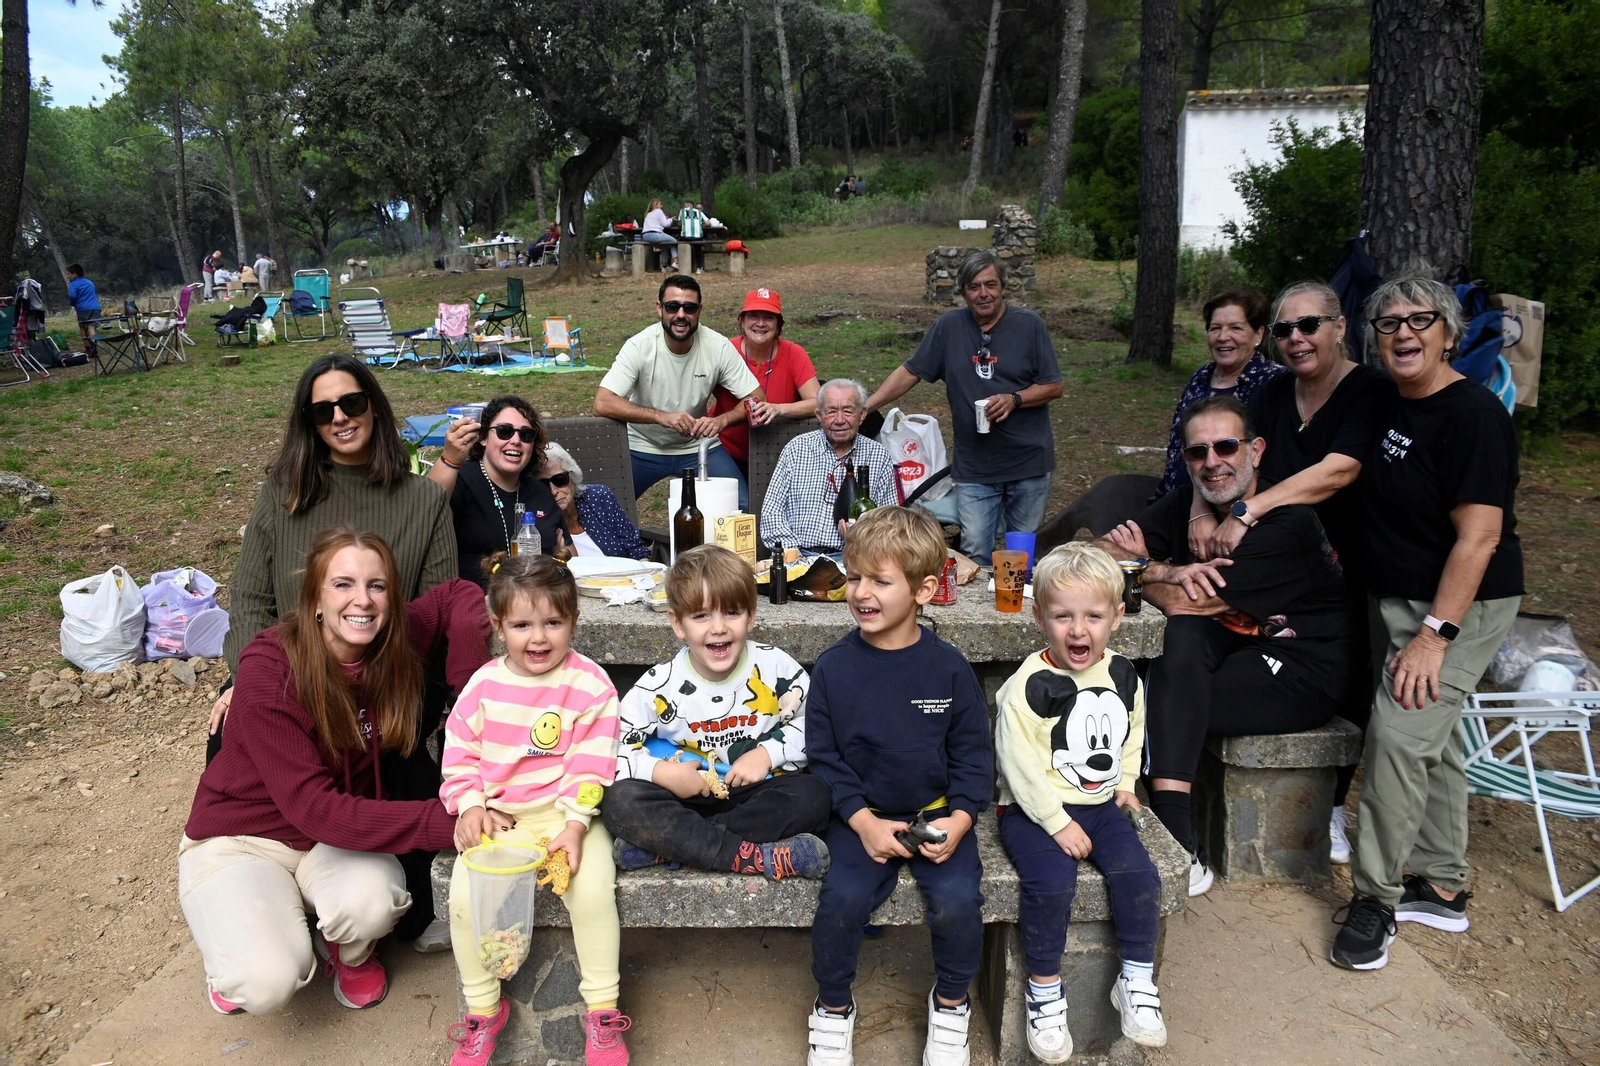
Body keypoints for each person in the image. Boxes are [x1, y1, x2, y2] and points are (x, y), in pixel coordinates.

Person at [179, 527, 489, 1017]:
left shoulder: (390, 637)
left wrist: (471, 696)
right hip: (244, 838)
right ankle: (239, 947)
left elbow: (458, 594)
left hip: (328, 845)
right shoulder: (271, 668)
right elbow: (315, 808)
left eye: (377, 585)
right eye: (343, 584)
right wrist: (456, 824)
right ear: (316, 599)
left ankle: (348, 952)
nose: (362, 600)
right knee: (265, 983)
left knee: (377, 901)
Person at [209, 354, 459, 944]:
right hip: (285, 672)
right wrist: (247, 678)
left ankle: (359, 905)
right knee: (234, 739)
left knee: (394, 764)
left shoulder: (423, 500)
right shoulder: (284, 493)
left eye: (352, 402)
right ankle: (265, 894)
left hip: (384, 678)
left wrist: (381, 685)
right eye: (323, 410)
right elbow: (247, 599)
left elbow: (433, 612)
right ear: (309, 421)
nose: (341, 417)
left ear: (374, 404)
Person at [1329, 274, 1523, 972]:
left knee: (1397, 738)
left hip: (1457, 605)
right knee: (1432, 743)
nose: (1403, 333)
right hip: (1395, 596)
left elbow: (1478, 539)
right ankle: (1441, 881)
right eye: (1389, 323)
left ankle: (1375, 900)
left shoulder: (1473, 416)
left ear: (1449, 332)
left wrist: (1433, 636)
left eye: (1420, 320)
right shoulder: (1385, 398)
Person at [1100, 395, 1355, 897]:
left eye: (1226, 446)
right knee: (1177, 648)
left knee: (1151, 693)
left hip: (1302, 670)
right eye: (1198, 452)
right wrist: (1165, 569)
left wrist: (1140, 574)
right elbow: (1103, 552)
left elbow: (1182, 602)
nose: (1212, 461)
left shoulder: (1288, 522)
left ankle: (1166, 833)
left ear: (1256, 451)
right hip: (1232, 653)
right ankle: (1176, 836)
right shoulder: (1191, 506)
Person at [1192, 280, 1397, 865]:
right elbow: (1233, 456)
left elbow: (1340, 470)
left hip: (1357, 554)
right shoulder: (1279, 392)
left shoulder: (1368, 390)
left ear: (1339, 325)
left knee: (1358, 678)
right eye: (1283, 330)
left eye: (1309, 326)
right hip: (1285, 558)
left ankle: (1331, 808)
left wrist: (1246, 511)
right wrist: (1202, 510)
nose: (1296, 339)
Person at [804, 507, 992, 1066]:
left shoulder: (950, 670)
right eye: (854, 575)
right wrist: (861, 821)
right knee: (841, 900)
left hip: (936, 817)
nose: (861, 591)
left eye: (880, 581)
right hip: (859, 818)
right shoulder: (834, 667)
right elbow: (824, 757)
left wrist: (959, 820)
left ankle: (952, 1003)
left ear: (924, 590)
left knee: (959, 902)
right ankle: (833, 1007)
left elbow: (973, 758)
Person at [440, 553, 632, 1065]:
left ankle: (602, 1012)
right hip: (504, 821)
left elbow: (592, 768)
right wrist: (470, 806)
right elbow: (459, 755)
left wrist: (573, 827)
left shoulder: (590, 686)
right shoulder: (482, 687)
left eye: (553, 622)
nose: (539, 638)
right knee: (464, 900)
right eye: (522, 625)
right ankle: (482, 1011)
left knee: (592, 893)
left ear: (574, 620)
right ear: (499, 626)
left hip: (570, 817)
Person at [994, 543, 1167, 1058]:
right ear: (1038, 617)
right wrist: (1053, 822)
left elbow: (1131, 733)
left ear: (1117, 617)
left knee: (1140, 875)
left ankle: (1136, 980)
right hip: (1033, 806)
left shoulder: (1123, 674)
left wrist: (1127, 785)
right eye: (1062, 616)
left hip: (1100, 802)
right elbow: (1017, 763)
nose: (1078, 630)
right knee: (1051, 883)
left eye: (1093, 616)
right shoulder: (1029, 685)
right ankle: (1044, 989)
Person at [602, 545, 833, 878]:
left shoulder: (775, 665)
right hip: (687, 794)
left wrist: (767, 754)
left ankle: (670, 848)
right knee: (621, 801)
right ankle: (755, 857)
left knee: (815, 796)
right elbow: (612, 747)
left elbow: (814, 724)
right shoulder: (659, 685)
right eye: (701, 616)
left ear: (751, 615)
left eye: (732, 613)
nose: (718, 627)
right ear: (677, 623)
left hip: (753, 793)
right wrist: (663, 774)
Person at [866, 249, 1064, 564]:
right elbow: (911, 371)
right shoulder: (949, 327)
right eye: (974, 286)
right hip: (975, 465)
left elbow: (1054, 385)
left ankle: (1016, 612)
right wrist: (868, 405)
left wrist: (1015, 399)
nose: (983, 294)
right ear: (963, 292)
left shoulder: (1029, 325)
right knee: (973, 553)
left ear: (1003, 287)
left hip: (1029, 462)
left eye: (991, 285)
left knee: (1022, 556)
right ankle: (976, 615)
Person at [594, 275, 764, 509]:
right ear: (659, 308)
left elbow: (757, 398)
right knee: (601, 508)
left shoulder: (718, 346)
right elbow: (602, 403)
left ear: (699, 311)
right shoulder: (640, 345)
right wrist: (661, 417)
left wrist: (721, 421)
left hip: (699, 446)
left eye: (689, 307)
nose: (681, 315)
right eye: (672, 306)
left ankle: (715, 547)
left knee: (742, 507)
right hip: (641, 445)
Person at [1150, 289, 1286, 500]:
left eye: (1235, 328)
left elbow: (1273, 462)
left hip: (1233, 510)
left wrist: (1203, 510)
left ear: (1258, 334)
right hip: (1176, 499)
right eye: (1215, 328)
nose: (1223, 337)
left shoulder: (1275, 382)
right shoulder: (1201, 377)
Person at [427, 395, 566, 587]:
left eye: (526, 434)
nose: (516, 440)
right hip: (475, 602)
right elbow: (425, 512)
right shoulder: (461, 479)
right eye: (504, 431)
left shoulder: (540, 492)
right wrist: (450, 459)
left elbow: (568, 557)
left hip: (539, 601)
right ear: (483, 437)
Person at [760, 379, 897, 556]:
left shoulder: (878, 455)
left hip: (855, 556)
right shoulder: (797, 449)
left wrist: (861, 539)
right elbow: (772, 512)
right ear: (819, 415)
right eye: (831, 411)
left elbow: (890, 522)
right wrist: (793, 554)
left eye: (848, 411)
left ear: (862, 414)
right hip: (799, 554)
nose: (839, 420)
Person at [708, 287, 821, 478]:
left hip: (777, 451)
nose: (760, 323)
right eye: (753, 316)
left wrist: (778, 409)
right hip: (727, 451)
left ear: (778, 325)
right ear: (742, 321)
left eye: (768, 317)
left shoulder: (794, 353)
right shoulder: (724, 349)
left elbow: (818, 402)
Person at [539, 443, 651, 560]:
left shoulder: (599, 497)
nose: (553, 491)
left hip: (625, 576)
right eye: (543, 485)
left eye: (559, 480)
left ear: (572, 476)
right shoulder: (539, 521)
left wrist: (646, 574)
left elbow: (637, 550)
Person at [65, 263, 101, 356]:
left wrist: (72, 303)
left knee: (83, 327)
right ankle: (95, 347)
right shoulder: (89, 282)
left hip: (83, 309)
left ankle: (88, 348)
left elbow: (72, 296)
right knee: (92, 326)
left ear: (74, 274)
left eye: (68, 274)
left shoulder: (73, 284)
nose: (68, 276)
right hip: (95, 308)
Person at [638, 198, 678, 271]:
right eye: (660, 204)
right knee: (674, 241)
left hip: (645, 236)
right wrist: (671, 220)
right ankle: (676, 262)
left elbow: (656, 222)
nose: (661, 206)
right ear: (656, 205)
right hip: (654, 234)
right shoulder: (659, 211)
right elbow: (666, 224)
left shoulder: (648, 214)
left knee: (665, 246)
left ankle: (665, 266)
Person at [676, 198, 706, 274]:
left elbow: (679, 223)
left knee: (674, 242)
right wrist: (700, 224)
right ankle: (699, 267)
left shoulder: (682, 211)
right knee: (698, 248)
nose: (684, 206)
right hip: (698, 237)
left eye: (685, 204)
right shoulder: (699, 212)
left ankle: (676, 262)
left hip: (685, 237)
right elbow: (708, 223)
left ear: (688, 204)